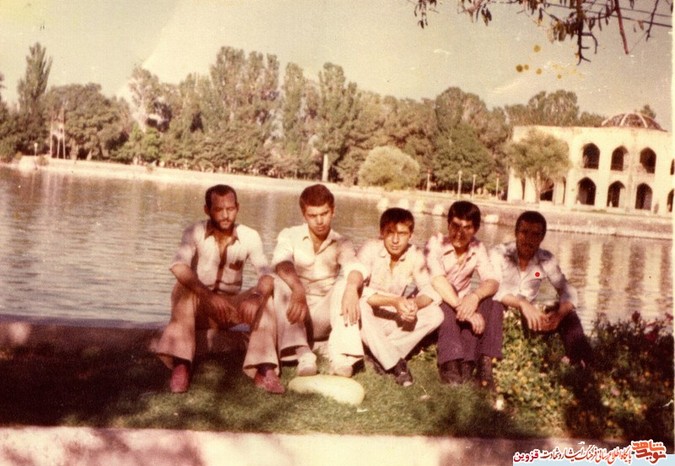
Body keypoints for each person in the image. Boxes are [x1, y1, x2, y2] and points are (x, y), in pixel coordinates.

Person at [152, 184, 284, 394]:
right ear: (207, 210)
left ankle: (264, 368)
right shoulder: (194, 231)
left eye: (230, 209)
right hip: (200, 308)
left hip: (230, 310)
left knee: (267, 293)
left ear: (237, 207)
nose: (225, 215)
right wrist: (208, 296)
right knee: (182, 287)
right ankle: (181, 364)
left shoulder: (250, 235)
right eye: (218, 209)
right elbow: (178, 266)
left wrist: (257, 296)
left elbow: (266, 274)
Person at [272, 184, 365, 377]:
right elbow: (281, 263)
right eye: (313, 215)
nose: (320, 221)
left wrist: (351, 288)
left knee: (345, 284)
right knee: (280, 282)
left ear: (333, 211)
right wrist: (297, 288)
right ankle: (303, 355)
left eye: (324, 214)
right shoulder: (290, 234)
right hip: (295, 312)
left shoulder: (342, 242)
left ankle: (341, 358)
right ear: (304, 214)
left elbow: (354, 267)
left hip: (322, 316)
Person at [489, 210, 593, 367]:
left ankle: (580, 360)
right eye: (524, 232)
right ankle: (489, 359)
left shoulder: (545, 260)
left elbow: (567, 290)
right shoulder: (499, 254)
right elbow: (494, 289)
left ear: (542, 238)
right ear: (516, 233)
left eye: (535, 235)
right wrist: (522, 304)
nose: (529, 239)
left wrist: (558, 315)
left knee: (567, 313)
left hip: (529, 318)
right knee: (493, 305)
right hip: (499, 314)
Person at [355, 208, 444, 387]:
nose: (395, 240)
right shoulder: (369, 249)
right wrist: (394, 301)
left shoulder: (415, 254)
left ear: (411, 235)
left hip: (391, 319)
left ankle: (379, 352)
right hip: (366, 320)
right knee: (361, 305)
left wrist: (414, 305)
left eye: (402, 234)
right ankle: (395, 363)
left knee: (436, 314)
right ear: (382, 232)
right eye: (390, 233)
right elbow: (358, 290)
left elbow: (429, 289)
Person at [426, 201, 502, 388]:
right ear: (448, 225)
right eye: (455, 226)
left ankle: (477, 363)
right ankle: (450, 362)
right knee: (448, 291)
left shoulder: (477, 247)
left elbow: (492, 281)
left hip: (460, 304)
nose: (460, 233)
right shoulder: (435, 242)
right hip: (436, 300)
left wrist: (474, 297)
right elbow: (437, 280)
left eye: (467, 228)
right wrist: (463, 307)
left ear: (475, 229)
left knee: (494, 302)